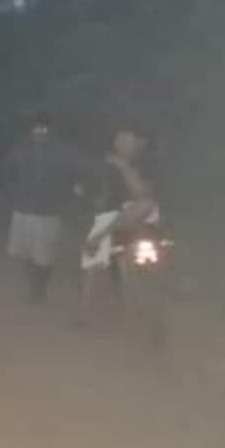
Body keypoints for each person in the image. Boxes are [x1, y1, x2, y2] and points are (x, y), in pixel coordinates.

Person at [3, 112, 87, 303]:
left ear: (51, 130)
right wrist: (14, 191)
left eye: (43, 128)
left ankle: (39, 288)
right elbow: (6, 169)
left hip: (48, 211)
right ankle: (33, 287)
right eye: (36, 128)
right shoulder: (22, 148)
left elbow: (76, 171)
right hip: (23, 208)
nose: (40, 131)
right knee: (25, 252)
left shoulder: (61, 151)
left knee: (44, 255)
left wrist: (75, 188)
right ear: (30, 129)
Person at [78, 126, 157, 321]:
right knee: (92, 264)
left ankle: (138, 310)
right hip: (111, 216)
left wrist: (124, 167)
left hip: (139, 218)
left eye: (128, 142)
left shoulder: (147, 163)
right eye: (120, 142)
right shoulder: (105, 164)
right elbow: (94, 193)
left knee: (145, 205)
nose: (123, 146)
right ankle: (83, 313)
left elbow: (142, 194)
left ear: (138, 143)